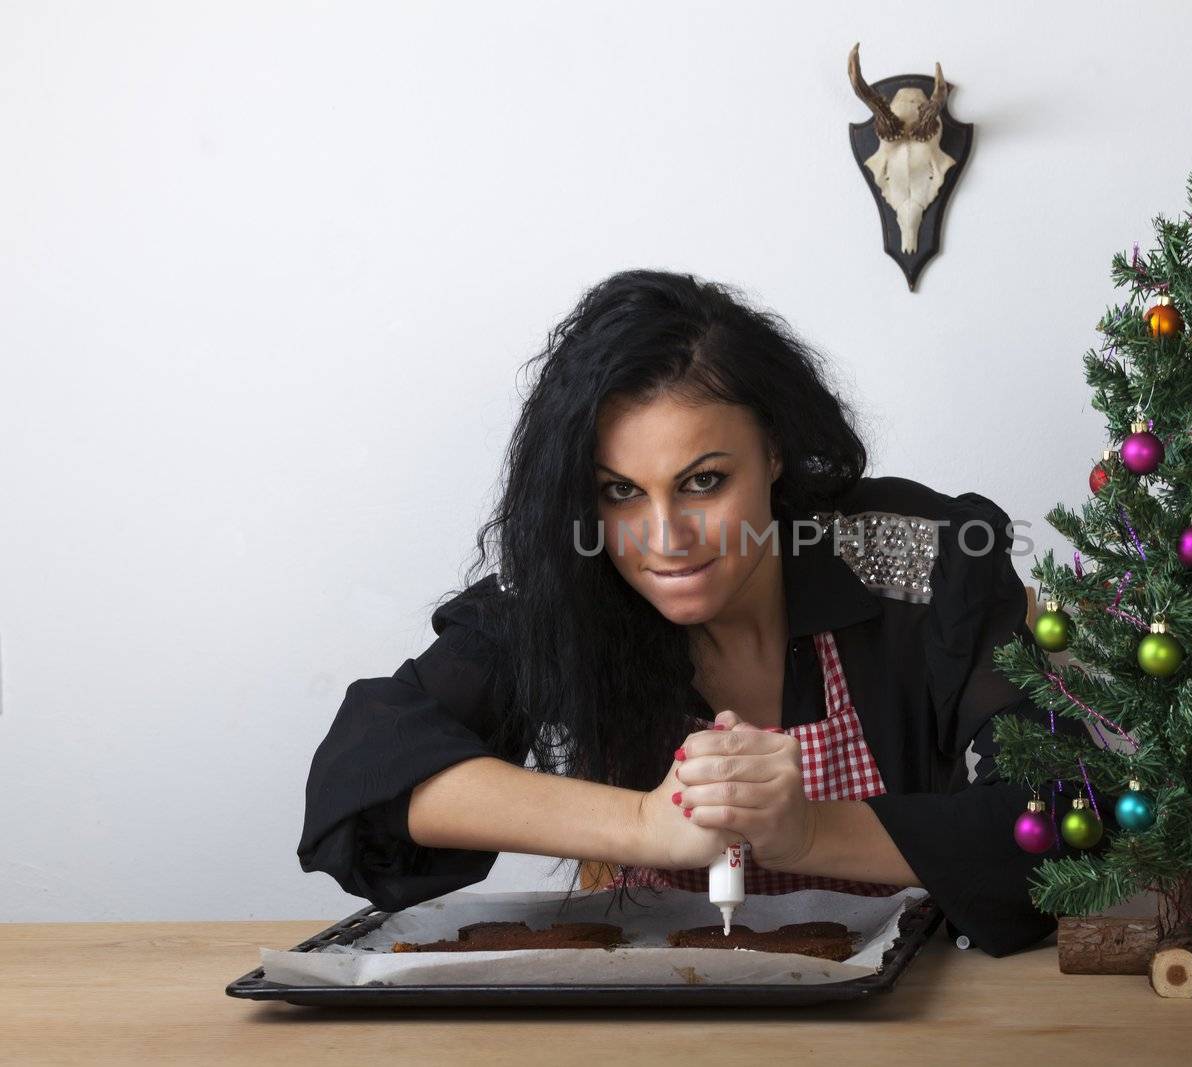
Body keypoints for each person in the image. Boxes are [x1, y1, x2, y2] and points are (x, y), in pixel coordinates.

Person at [296, 269, 1102, 957]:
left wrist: (810, 831)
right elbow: (363, 774)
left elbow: (1066, 813)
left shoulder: (924, 562)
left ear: (774, 455)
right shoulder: (572, 588)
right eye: (620, 492)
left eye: (704, 481)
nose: (665, 539)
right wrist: (647, 823)